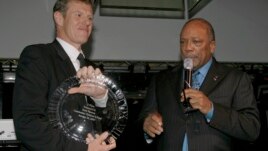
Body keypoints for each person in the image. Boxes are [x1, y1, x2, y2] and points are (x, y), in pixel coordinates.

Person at [139, 18, 261, 151]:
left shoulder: (235, 79)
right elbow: (141, 121)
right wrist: (146, 126)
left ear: (212, 46)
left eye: (196, 42)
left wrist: (211, 109)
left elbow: (252, 129)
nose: (187, 48)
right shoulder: (161, 79)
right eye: (183, 42)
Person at [12, 0, 116, 150]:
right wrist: (83, 149)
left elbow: (106, 122)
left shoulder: (94, 69)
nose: (86, 22)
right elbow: (28, 123)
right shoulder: (38, 57)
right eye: (78, 15)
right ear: (59, 18)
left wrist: (100, 99)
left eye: (90, 18)